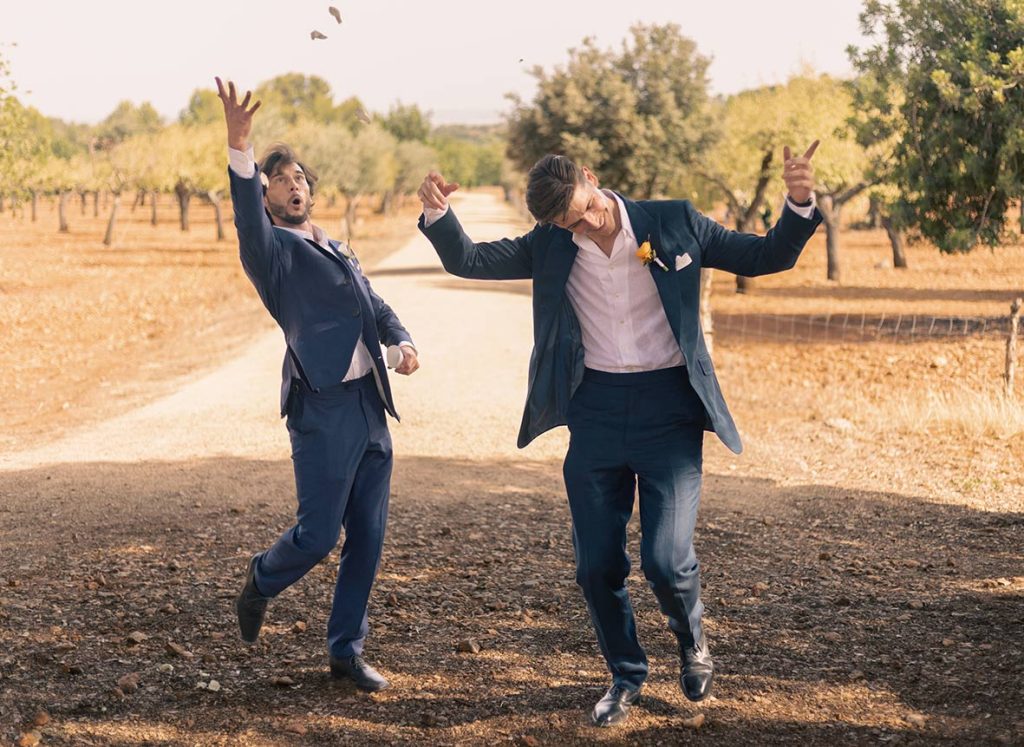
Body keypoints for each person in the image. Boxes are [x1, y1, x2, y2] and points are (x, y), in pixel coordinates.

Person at [416, 144, 820, 726]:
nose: (583, 226)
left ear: (591, 178)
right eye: (568, 223)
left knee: (665, 559)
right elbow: (471, 260)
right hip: (596, 412)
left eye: (584, 211)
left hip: (670, 412)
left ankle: (692, 639)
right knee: (596, 567)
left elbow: (767, 255)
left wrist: (799, 201)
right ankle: (625, 674)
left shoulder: (674, 221)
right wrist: (438, 217)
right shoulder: (552, 244)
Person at [216, 77, 419, 692]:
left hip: (369, 404)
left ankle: (345, 651)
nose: (293, 184)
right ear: (268, 195)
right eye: (279, 180)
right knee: (319, 534)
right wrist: (241, 147)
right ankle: (261, 580)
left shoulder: (334, 244)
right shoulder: (271, 252)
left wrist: (400, 338)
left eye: (299, 177)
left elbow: (371, 301)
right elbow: (248, 216)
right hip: (321, 405)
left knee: (369, 537)